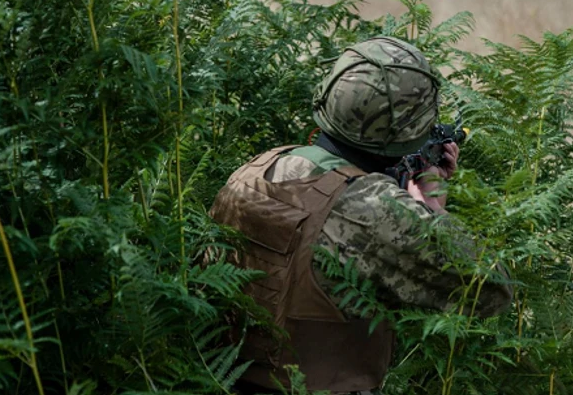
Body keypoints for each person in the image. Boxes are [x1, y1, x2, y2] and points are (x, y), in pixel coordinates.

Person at [209, 36, 512, 394]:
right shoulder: (374, 208)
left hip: (217, 379)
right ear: (409, 128)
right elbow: (491, 289)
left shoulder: (259, 168)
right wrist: (431, 208)